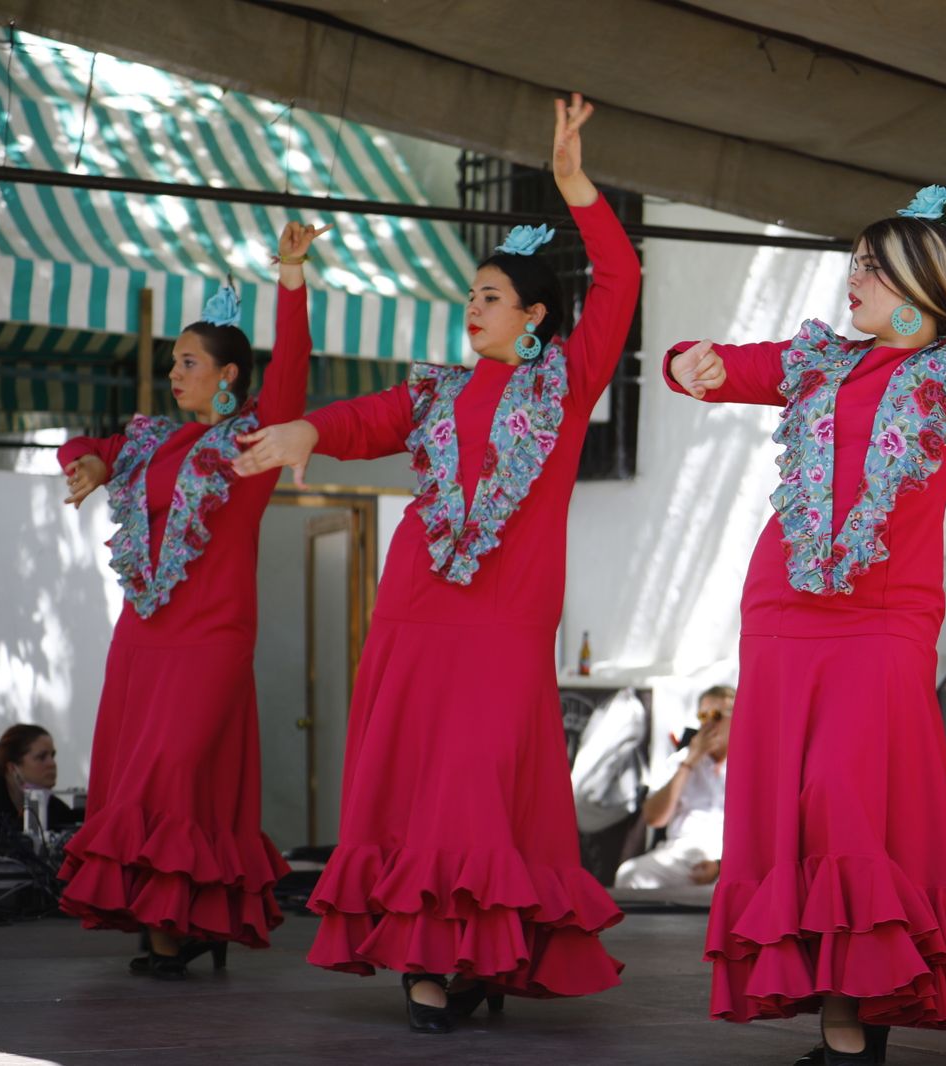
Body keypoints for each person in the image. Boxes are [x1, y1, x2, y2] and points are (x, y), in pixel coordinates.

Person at [664, 91, 946, 1063]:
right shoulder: (818, 363)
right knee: (795, 809)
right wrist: (696, 362)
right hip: (781, 608)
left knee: (851, 799)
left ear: (919, 287)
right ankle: (843, 1019)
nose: (850, 278)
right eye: (850, 262)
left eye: (868, 265)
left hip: (881, 618)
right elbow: (729, 363)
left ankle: (867, 998)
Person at [231, 95, 639, 1035]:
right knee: (420, 778)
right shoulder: (437, 391)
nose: (473, 306)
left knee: (477, 778)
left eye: (490, 296)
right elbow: (363, 420)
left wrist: (575, 183)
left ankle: (482, 947)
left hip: (504, 618)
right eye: (471, 296)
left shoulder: (566, 384)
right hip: (417, 605)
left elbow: (617, 277)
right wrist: (301, 427)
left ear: (536, 316)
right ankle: (427, 958)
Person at [53, 222, 323, 979]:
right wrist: (93, 466)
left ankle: (182, 922)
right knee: (143, 776)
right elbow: (94, 445)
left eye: (189, 361)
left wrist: (293, 278)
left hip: (212, 637)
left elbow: (295, 370)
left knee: (172, 771)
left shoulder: (253, 445)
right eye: (174, 360)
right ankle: (174, 926)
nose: (176, 372)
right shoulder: (151, 440)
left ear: (229, 375)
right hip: (143, 635)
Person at [615, 685, 735, 890]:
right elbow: (654, 818)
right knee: (629, 876)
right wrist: (689, 762)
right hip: (682, 857)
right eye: (702, 716)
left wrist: (720, 865)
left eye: (716, 715)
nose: (708, 724)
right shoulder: (680, 760)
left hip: (731, 861)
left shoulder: (752, 765)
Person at [0, 724, 77, 841]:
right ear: (13, 768)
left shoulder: (56, 809)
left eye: (52, 755)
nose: (52, 764)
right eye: (41, 757)